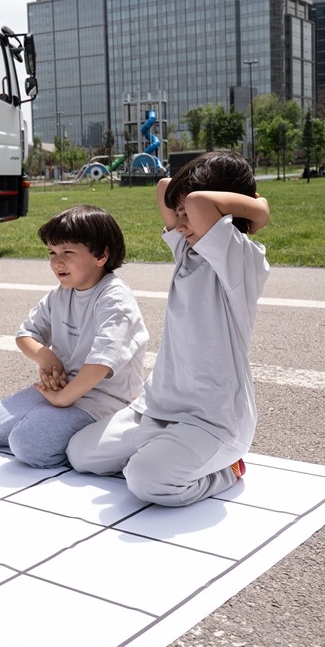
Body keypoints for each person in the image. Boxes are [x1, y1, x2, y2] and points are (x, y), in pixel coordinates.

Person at [68, 151, 270, 506]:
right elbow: (166, 189)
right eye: (178, 215)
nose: (179, 223)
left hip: (213, 421)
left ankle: (227, 470)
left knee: (146, 481)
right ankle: (163, 455)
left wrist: (259, 210)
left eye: (186, 216)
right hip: (156, 408)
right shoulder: (188, 252)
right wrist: (189, 204)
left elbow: (199, 201)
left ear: (224, 214)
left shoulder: (239, 259)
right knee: (80, 453)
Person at [0, 205, 148, 468]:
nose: (57, 262)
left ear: (101, 255)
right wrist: (45, 355)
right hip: (63, 388)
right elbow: (25, 335)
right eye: (52, 253)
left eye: (68, 252)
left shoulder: (114, 298)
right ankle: (53, 424)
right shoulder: (62, 293)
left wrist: (62, 400)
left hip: (103, 399)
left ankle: (103, 439)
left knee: (27, 445)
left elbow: (101, 363)